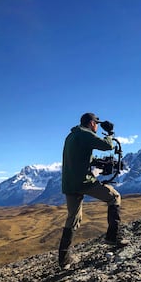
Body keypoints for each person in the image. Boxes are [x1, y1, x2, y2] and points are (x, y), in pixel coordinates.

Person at [58, 112, 127, 269]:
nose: (97, 127)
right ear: (91, 123)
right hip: (83, 182)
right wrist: (110, 133)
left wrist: (95, 162)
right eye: (96, 124)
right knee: (114, 197)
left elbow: (79, 157)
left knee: (73, 218)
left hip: (69, 184)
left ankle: (64, 259)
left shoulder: (72, 135)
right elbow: (108, 145)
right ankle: (112, 238)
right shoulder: (85, 133)